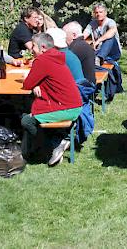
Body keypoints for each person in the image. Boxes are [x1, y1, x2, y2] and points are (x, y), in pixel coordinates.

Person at [21, 33, 83, 166]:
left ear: (42, 47)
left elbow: (27, 84)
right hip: (73, 104)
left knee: (27, 120)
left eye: (33, 47)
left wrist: (34, 84)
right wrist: (36, 84)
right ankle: (56, 141)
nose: (31, 50)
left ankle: (52, 147)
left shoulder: (42, 60)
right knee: (29, 111)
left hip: (67, 108)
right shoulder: (54, 57)